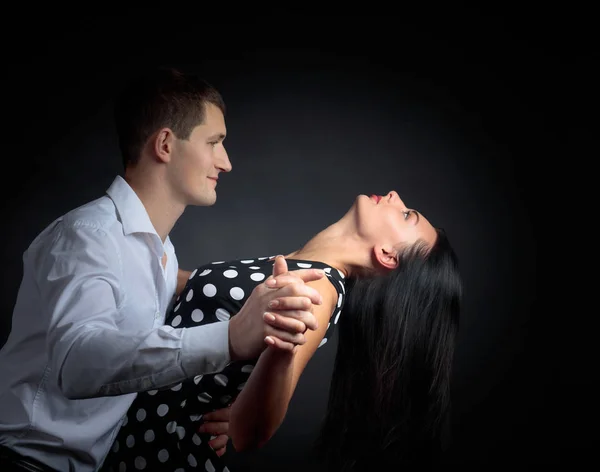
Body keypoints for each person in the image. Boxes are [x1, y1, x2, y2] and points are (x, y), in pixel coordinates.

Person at [0, 67, 327, 472]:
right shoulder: (87, 236)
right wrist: (230, 338)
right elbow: (78, 364)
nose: (225, 162)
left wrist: (223, 410)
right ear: (166, 145)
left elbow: (136, 357)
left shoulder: (161, 255)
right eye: (214, 142)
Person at [100, 190, 463, 471]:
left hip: (160, 452)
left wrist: (271, 369)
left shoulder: (316, 289)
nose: (396, 196)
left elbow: (249, 432)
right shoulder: (299, 266)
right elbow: (183, 287)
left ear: (387, 254)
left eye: (406, 215)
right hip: (132, 427)